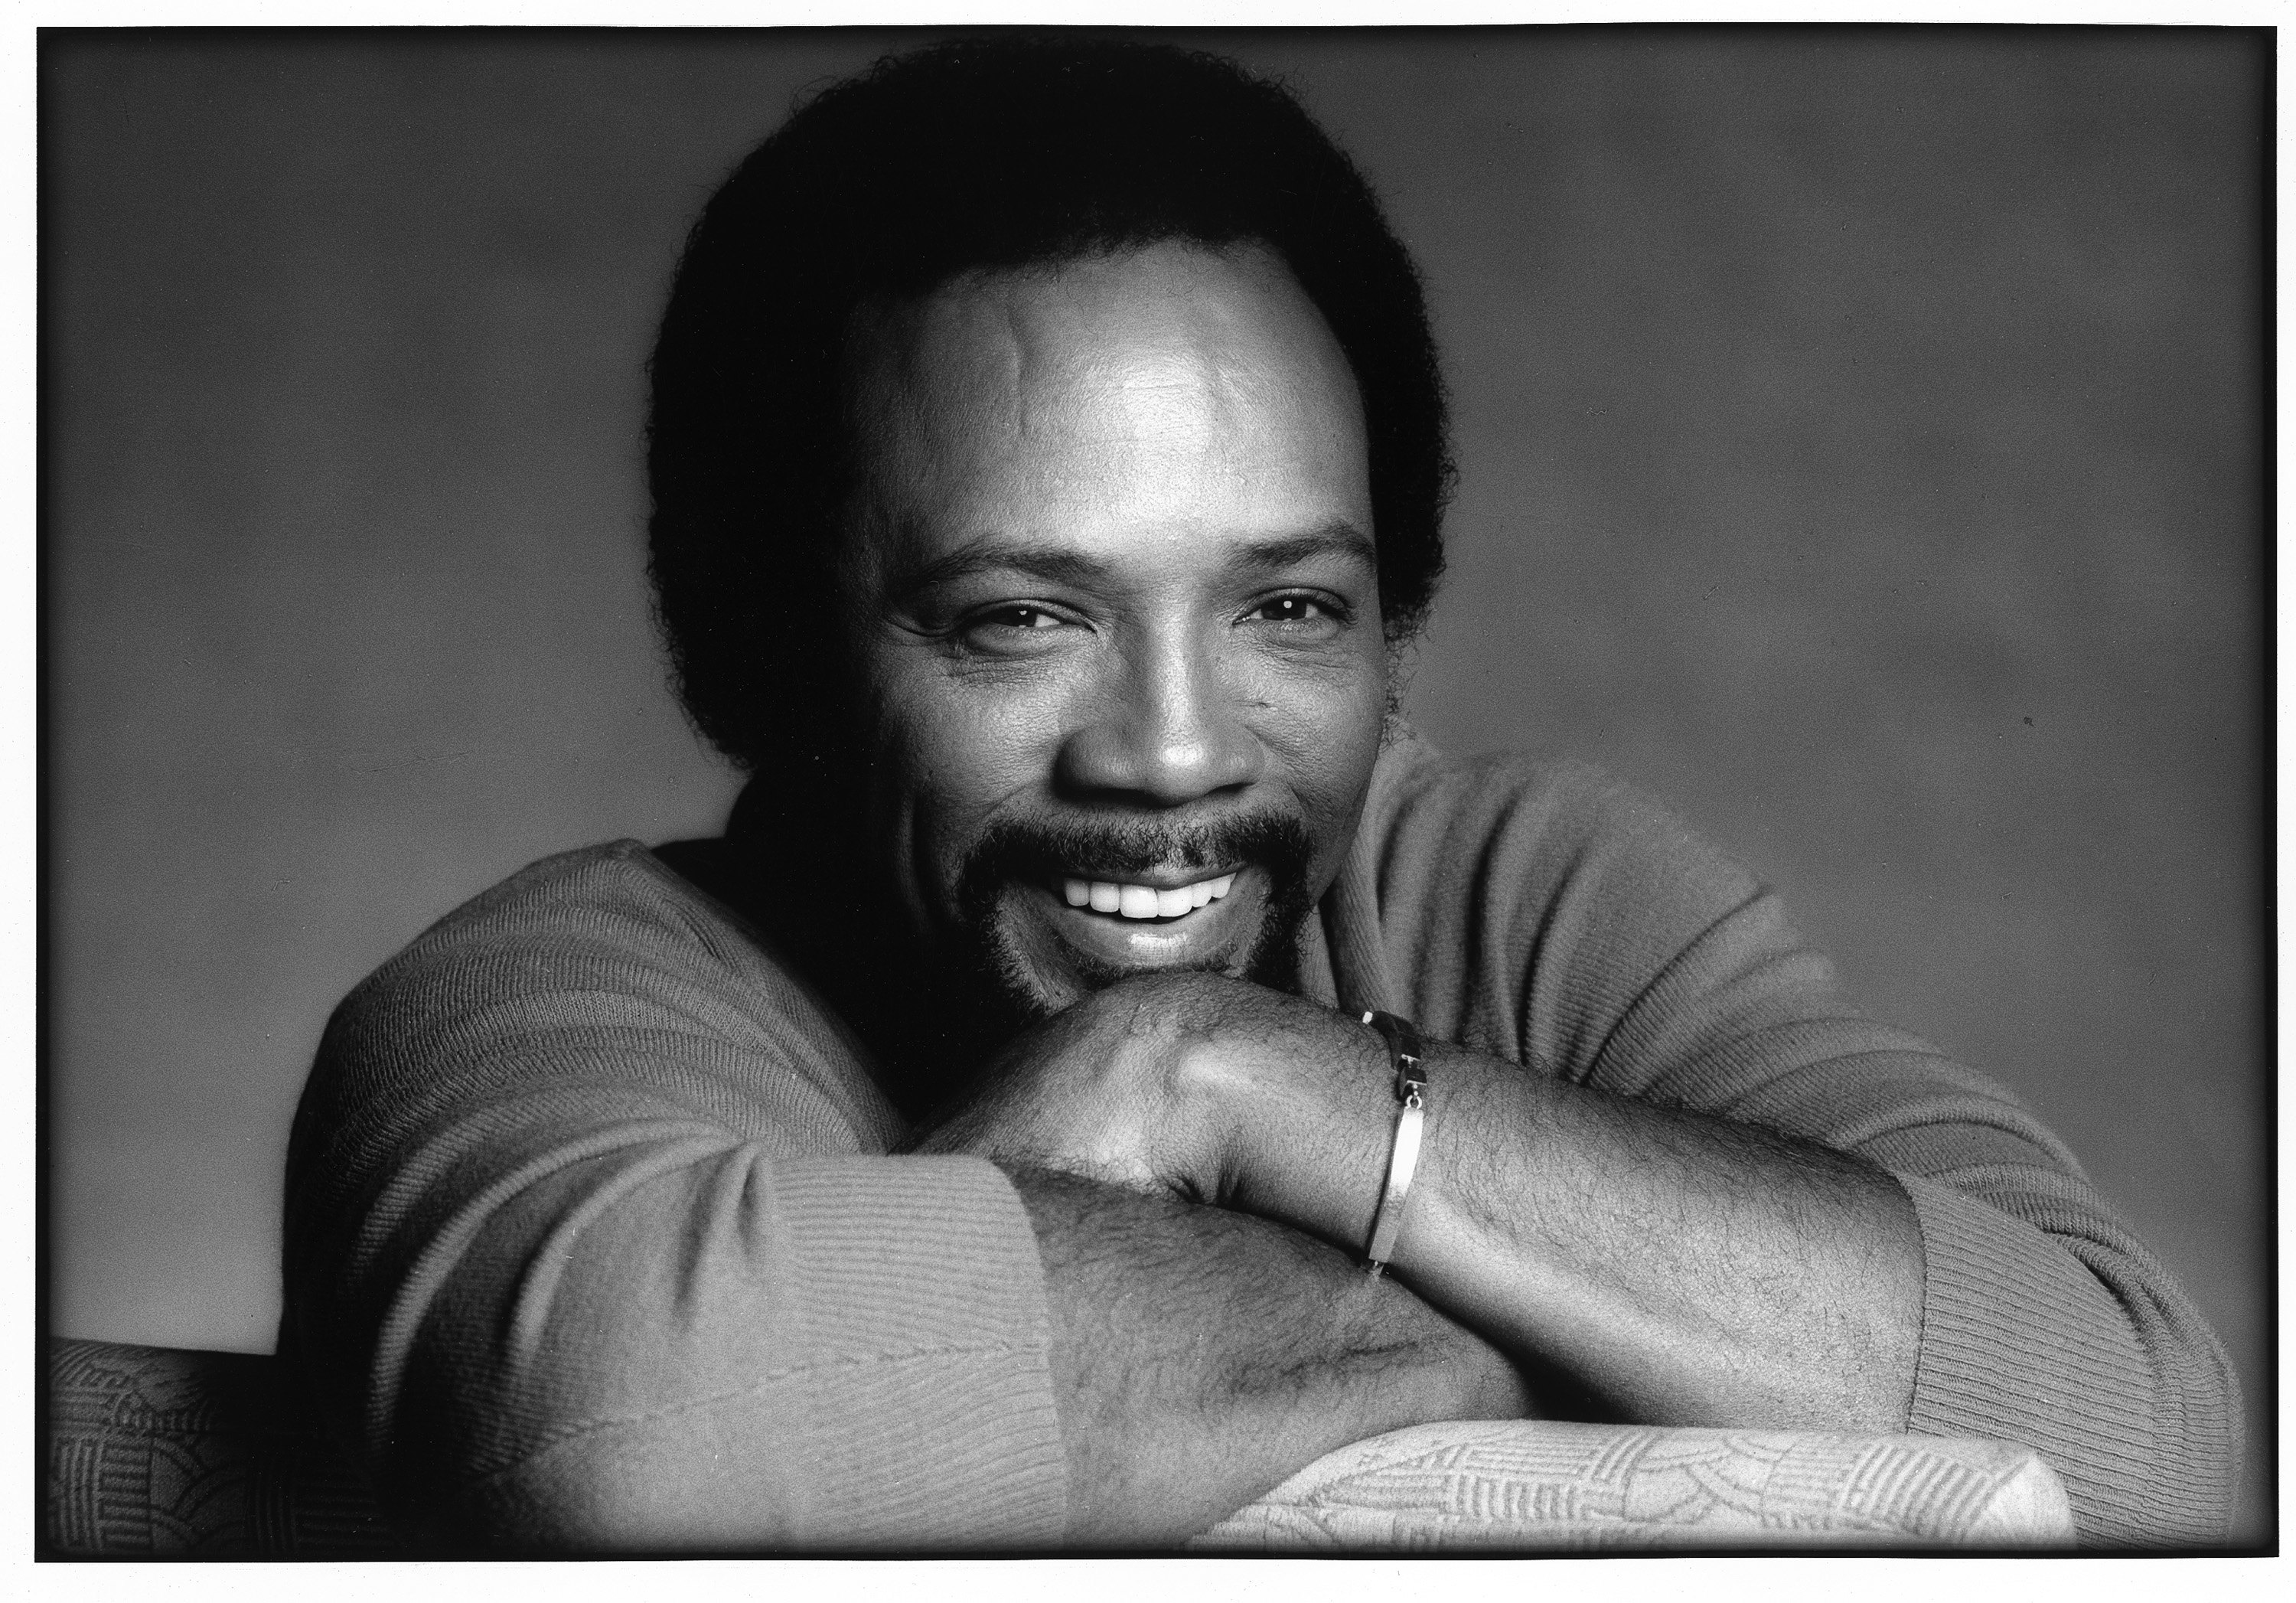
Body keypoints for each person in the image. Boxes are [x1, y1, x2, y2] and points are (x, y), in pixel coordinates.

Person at [279, 39, 2237, 1552]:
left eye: (1288, 607)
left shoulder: (1522, 895)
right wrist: (1540, 1334)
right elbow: (634, 1446)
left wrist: (1233, 1078)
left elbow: (2150, 1462)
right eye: (1020, 618)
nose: (1177, 749)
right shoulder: (541, 1001)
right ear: (763, 650)